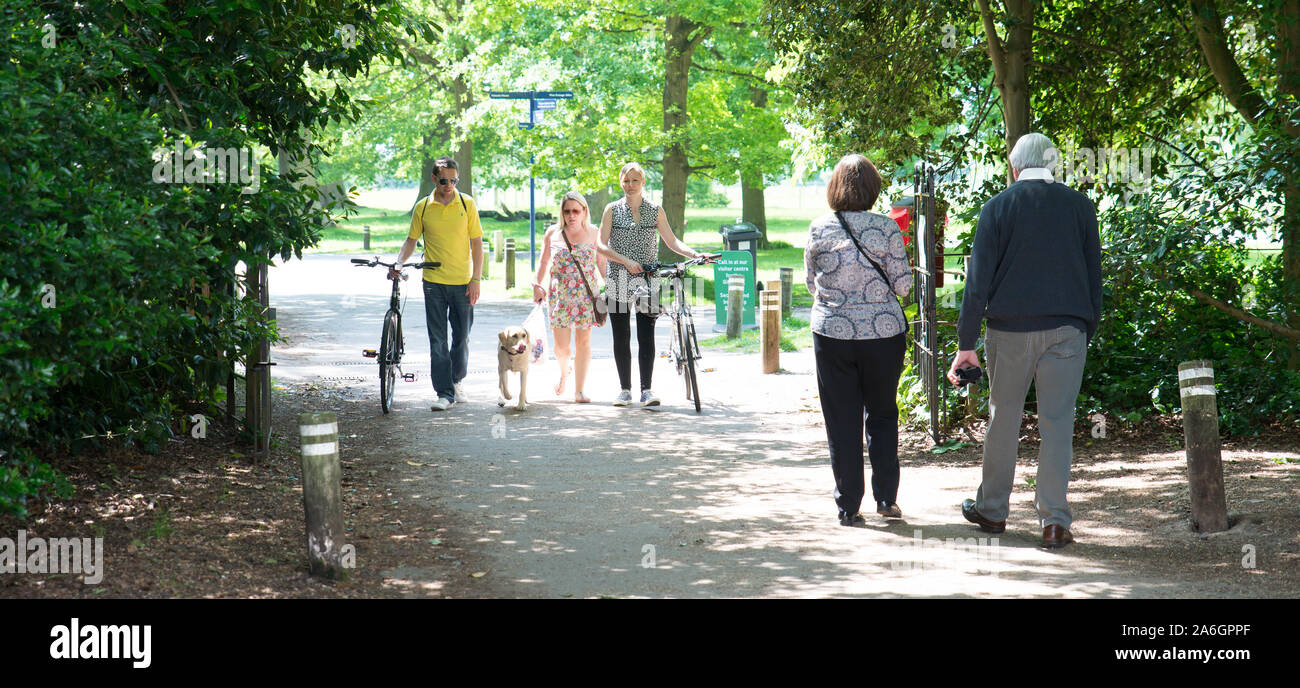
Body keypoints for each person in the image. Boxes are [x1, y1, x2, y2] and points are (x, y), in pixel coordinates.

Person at [949, 132, 1102, 549]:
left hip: (1009, 331)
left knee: (1003, 420)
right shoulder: (1079, 206)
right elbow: (1094, 276)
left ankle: (993, 511)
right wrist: (1088, 327)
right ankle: (1054, 521)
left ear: (1014, 167)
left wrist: (966, 343)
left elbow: (977, 283)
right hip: (1067, 330)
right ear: (1052, 164)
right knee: (1057, 424)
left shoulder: (996, 208)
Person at [806, 154, 913, 527]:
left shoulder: (820, 228)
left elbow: (810, 282)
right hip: (883, 335)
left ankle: (848, 505)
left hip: (832, 332)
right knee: (882, 412)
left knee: (841, 418)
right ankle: (887, 498)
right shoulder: (886, 229)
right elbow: (902, 286)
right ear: (872, 188)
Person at [597, 162, 702, 407]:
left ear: (643, 182)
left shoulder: (655, 210)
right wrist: (625, 261)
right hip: (618, 277)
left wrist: (694, 254)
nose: (630, 185)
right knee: (621, 336)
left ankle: (646, 390)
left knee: (647, 335)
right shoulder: (612, 209)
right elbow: (601, 245)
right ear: (620, 182)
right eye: (626, 181)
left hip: (647, 278)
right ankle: (624, 390)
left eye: (635, 180)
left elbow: (672, 241)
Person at [392, 156, 484, 411]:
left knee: (462, 337)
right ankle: (443, 393)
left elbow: (477, 243)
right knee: (437, 340)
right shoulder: (423, 207)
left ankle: (456, 380)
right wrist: (399, 262)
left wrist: (476, 279)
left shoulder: (467, 204)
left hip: (463, 282)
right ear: (434, 178)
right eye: (444, 180)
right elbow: (411, 240)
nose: (449, 185)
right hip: (433, 282)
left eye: (454, 180)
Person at [532, 191, 608, 403]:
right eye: (567, 211)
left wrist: (612, 286)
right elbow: (544, 262)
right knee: (561, 348)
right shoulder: (553, 233)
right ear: (562, 213)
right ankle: (565, 371)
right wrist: (537, 285)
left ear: (584, 211)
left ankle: (579, 390)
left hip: (586, 297)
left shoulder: (594, 233)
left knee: (583, 342)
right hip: (560, 298)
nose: (571, 216)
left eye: (576, 211)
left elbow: (601, 264)